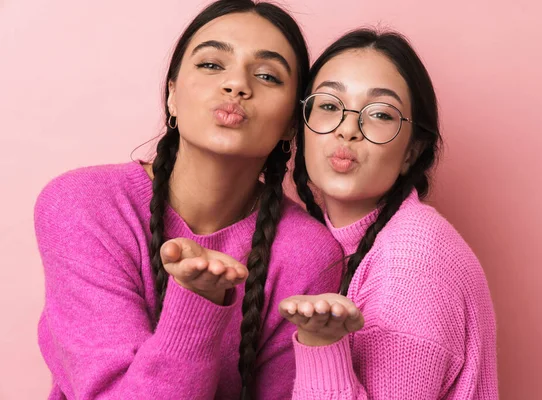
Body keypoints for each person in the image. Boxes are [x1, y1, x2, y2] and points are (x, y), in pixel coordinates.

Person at [34, 1, 342, 399]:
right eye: (212, 65)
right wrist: (199, 300)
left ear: (289, 123)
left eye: (267, 75)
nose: (237, 86)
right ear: (172, 96)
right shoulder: (83, 207)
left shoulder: (309, 253)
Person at [280, 29, 498, 399]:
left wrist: (320, 344)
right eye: (329, 105)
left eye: (379, 114)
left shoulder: (412, 263)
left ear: (412, 152)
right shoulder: (332, 240)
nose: (348, 129)